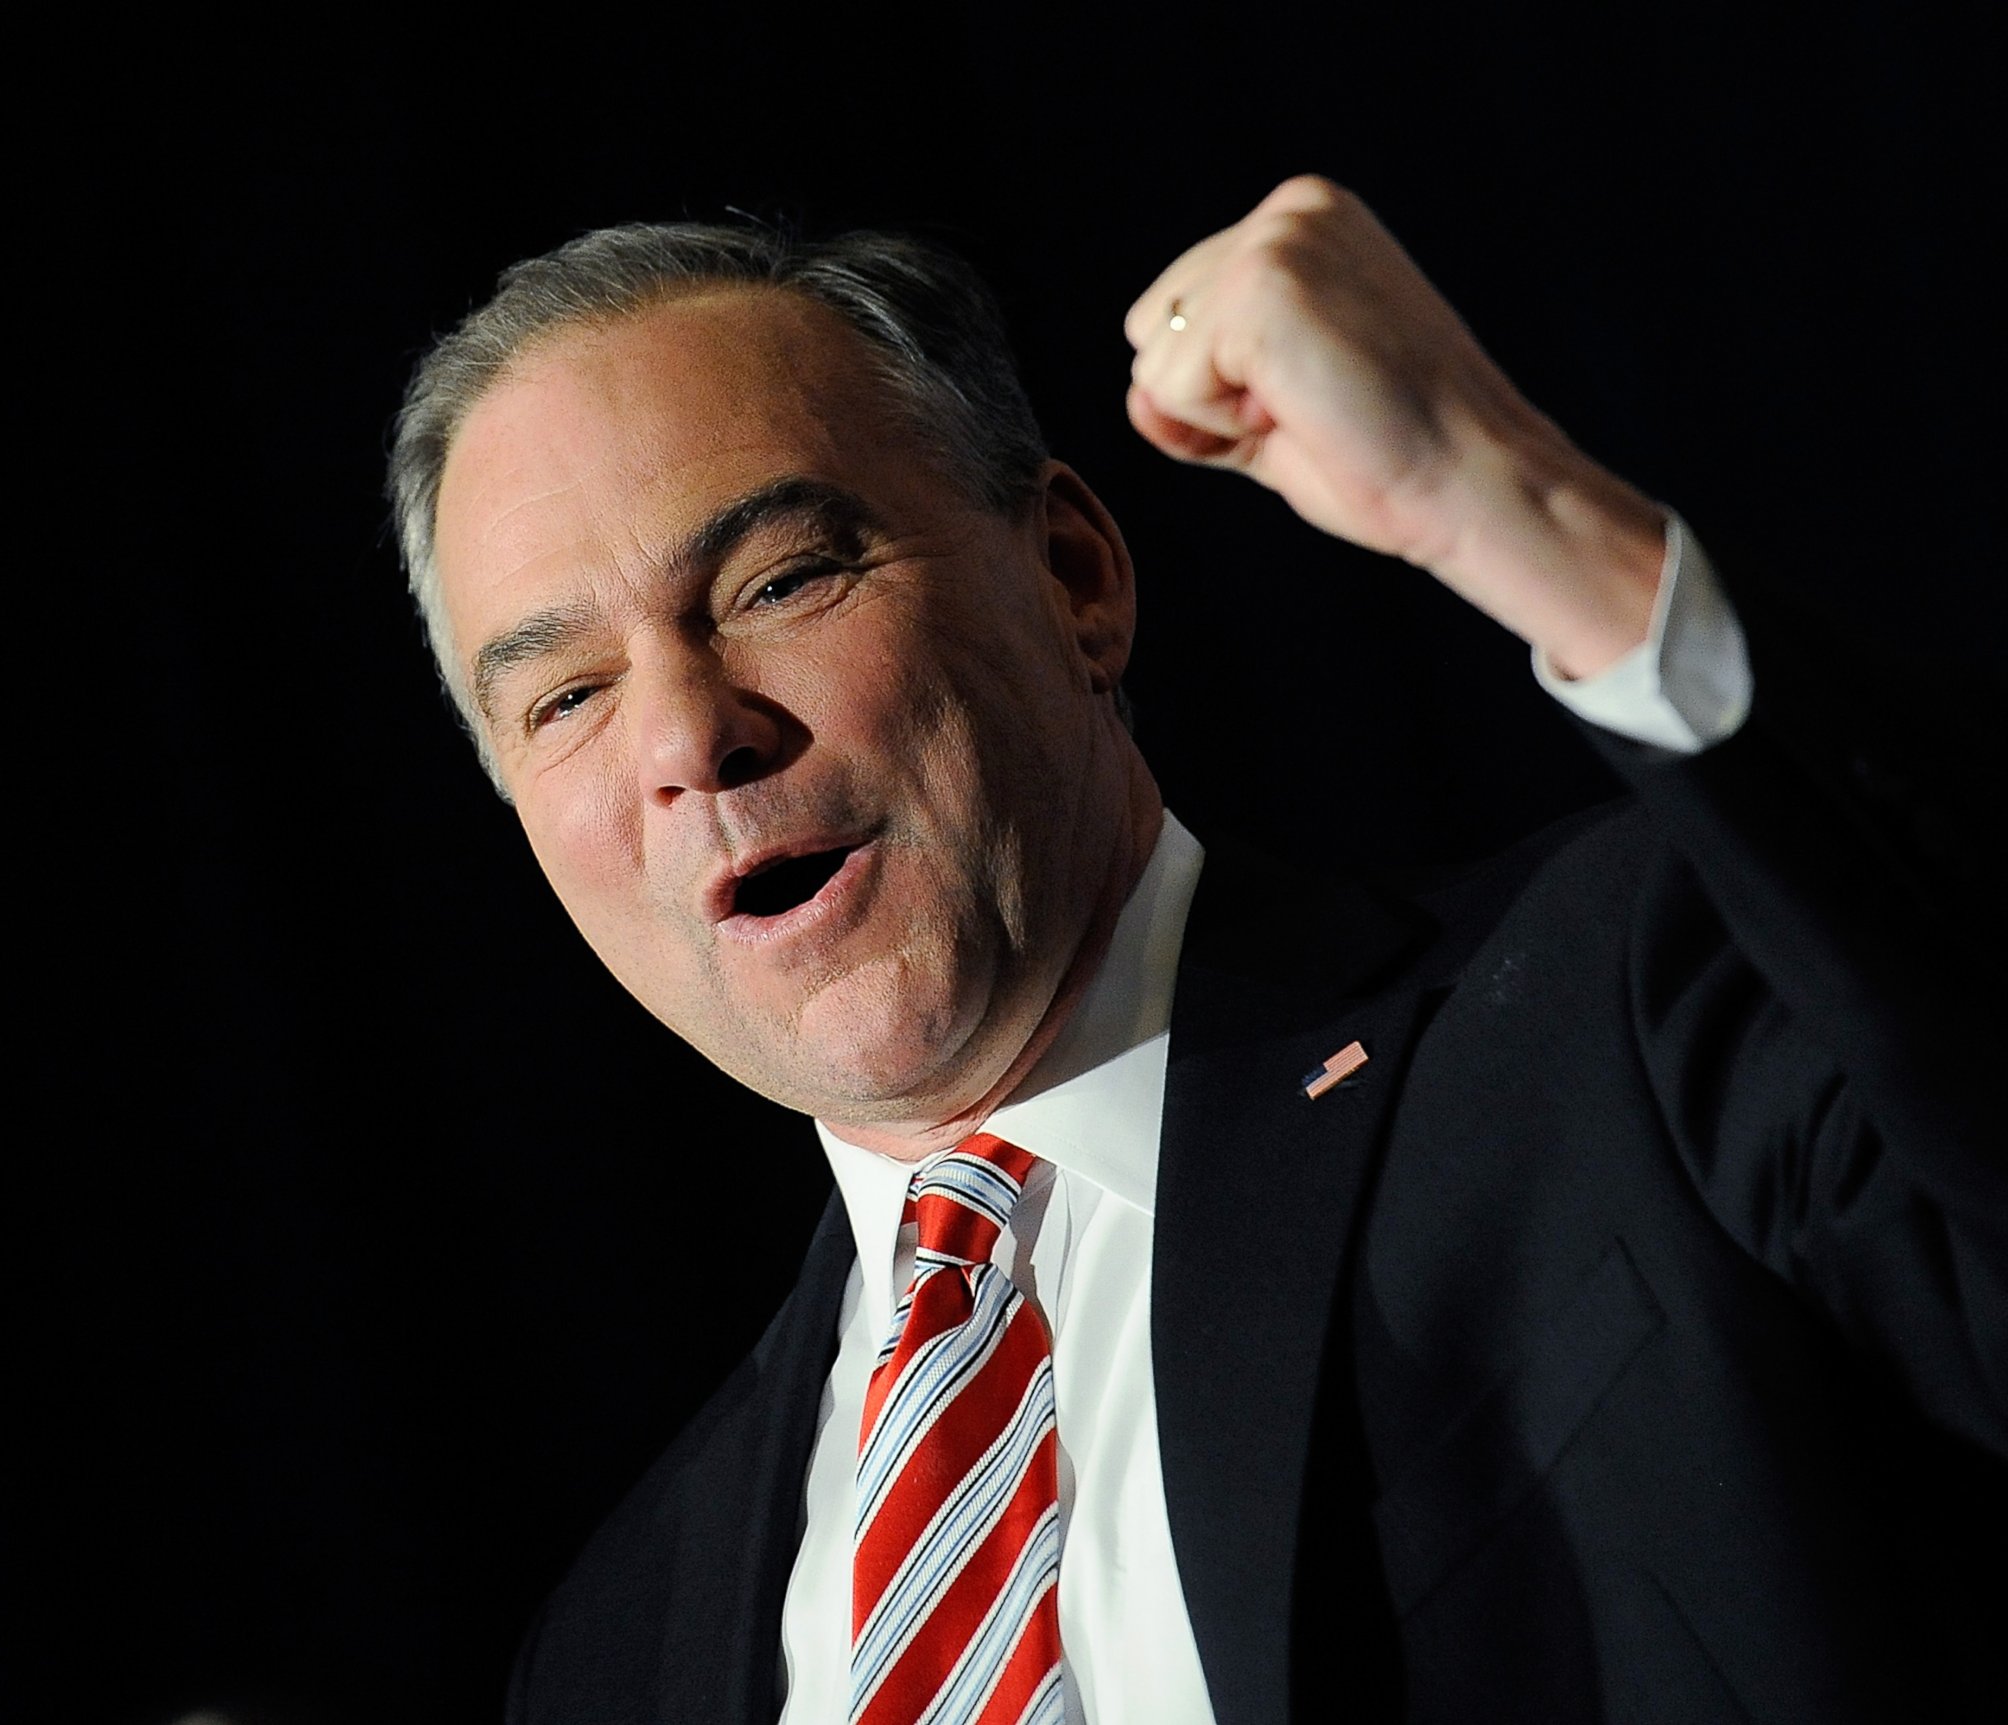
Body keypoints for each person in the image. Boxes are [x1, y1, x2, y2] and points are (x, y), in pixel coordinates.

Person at [386, 178, 2006, 1723]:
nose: (684, 735)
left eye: (782, 577)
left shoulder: (1624, 1019)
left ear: (1075, 576)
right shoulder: (612, 1654)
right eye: (565, 698)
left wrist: (1512, 498)